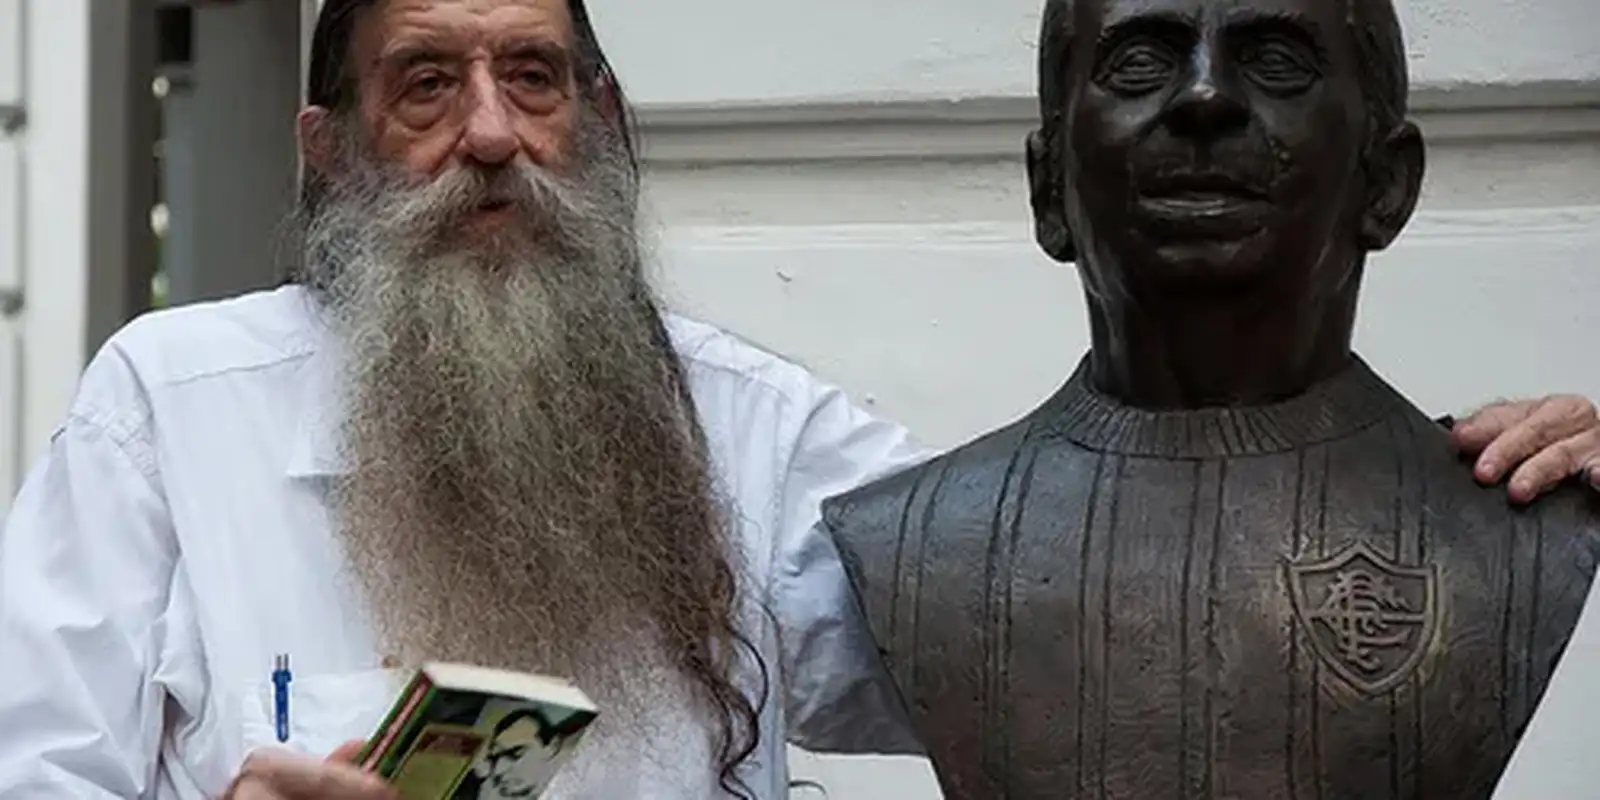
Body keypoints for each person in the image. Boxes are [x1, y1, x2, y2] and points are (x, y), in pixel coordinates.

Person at [0, 0, 1593, 798]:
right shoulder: (168, 410)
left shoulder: (760, 435)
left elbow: (1103, 635)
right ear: (328, 150)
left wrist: (1501, 477)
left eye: (534, 78)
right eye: (426, 83)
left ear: (604, 124)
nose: (490, 135)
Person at [816, 0, 1600, 796]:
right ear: (1048, 187)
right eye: (1139, 63)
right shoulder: (909, 539)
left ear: (1388, 182)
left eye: (1276, 62)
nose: (1204, 97)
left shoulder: (1526, 522)